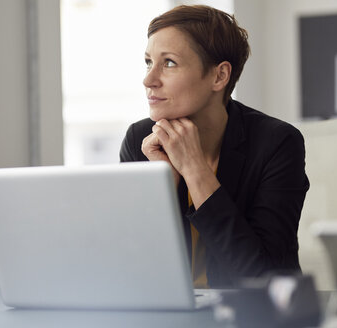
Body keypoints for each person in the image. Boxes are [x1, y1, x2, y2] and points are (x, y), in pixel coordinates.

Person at [119, 5, 309, 288]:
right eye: (149, 62)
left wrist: (195, 171)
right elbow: (130, 271)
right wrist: (160, 191)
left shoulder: (276, 143)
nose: (149, 79)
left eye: (169, 62)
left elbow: (266, 279)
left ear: (219, 76)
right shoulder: (140, 141)